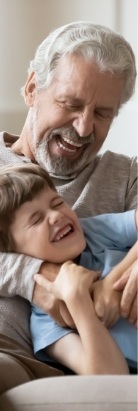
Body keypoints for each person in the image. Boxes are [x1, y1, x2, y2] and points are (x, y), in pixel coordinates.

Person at [0, 21, 137, 393]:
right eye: (70, 104)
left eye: (102, 113)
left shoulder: (124, 175)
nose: (82, 127)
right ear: (32, 89)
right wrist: (40, 277)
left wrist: (122, 275)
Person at [0, 163, 137, 375]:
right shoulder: (46, 322)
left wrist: (112, 284)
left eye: (57, 204)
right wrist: (78, 302)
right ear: (15, 252)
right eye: (36, 220)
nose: (56, 216)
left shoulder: (93, 232)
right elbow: (109, 378)